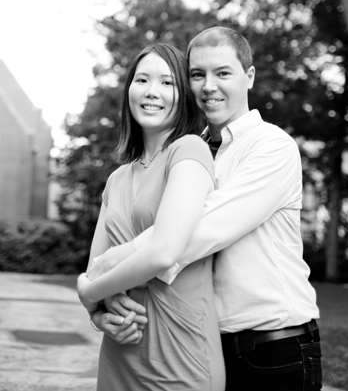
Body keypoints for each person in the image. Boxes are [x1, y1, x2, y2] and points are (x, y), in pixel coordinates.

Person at [89, 27, 322, 391]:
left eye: (223, 73)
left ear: (249, 76)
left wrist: (106, 271)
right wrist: (107, 300)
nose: (209, 86)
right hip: (207, 340)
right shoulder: (188, 150)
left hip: (272, 345)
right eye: (198, 74)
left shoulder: (271, 146)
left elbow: (198, 232)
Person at [77, 42, 226, 391]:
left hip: (179, 357)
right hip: (119, 354)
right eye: (142, 80)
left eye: (167, 83)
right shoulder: (117, 180)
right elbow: (95, 266)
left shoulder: (189, 150)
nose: (152, 92)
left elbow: (163, 252)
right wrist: (99, 316)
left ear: (184, 95)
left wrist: (89, 293)